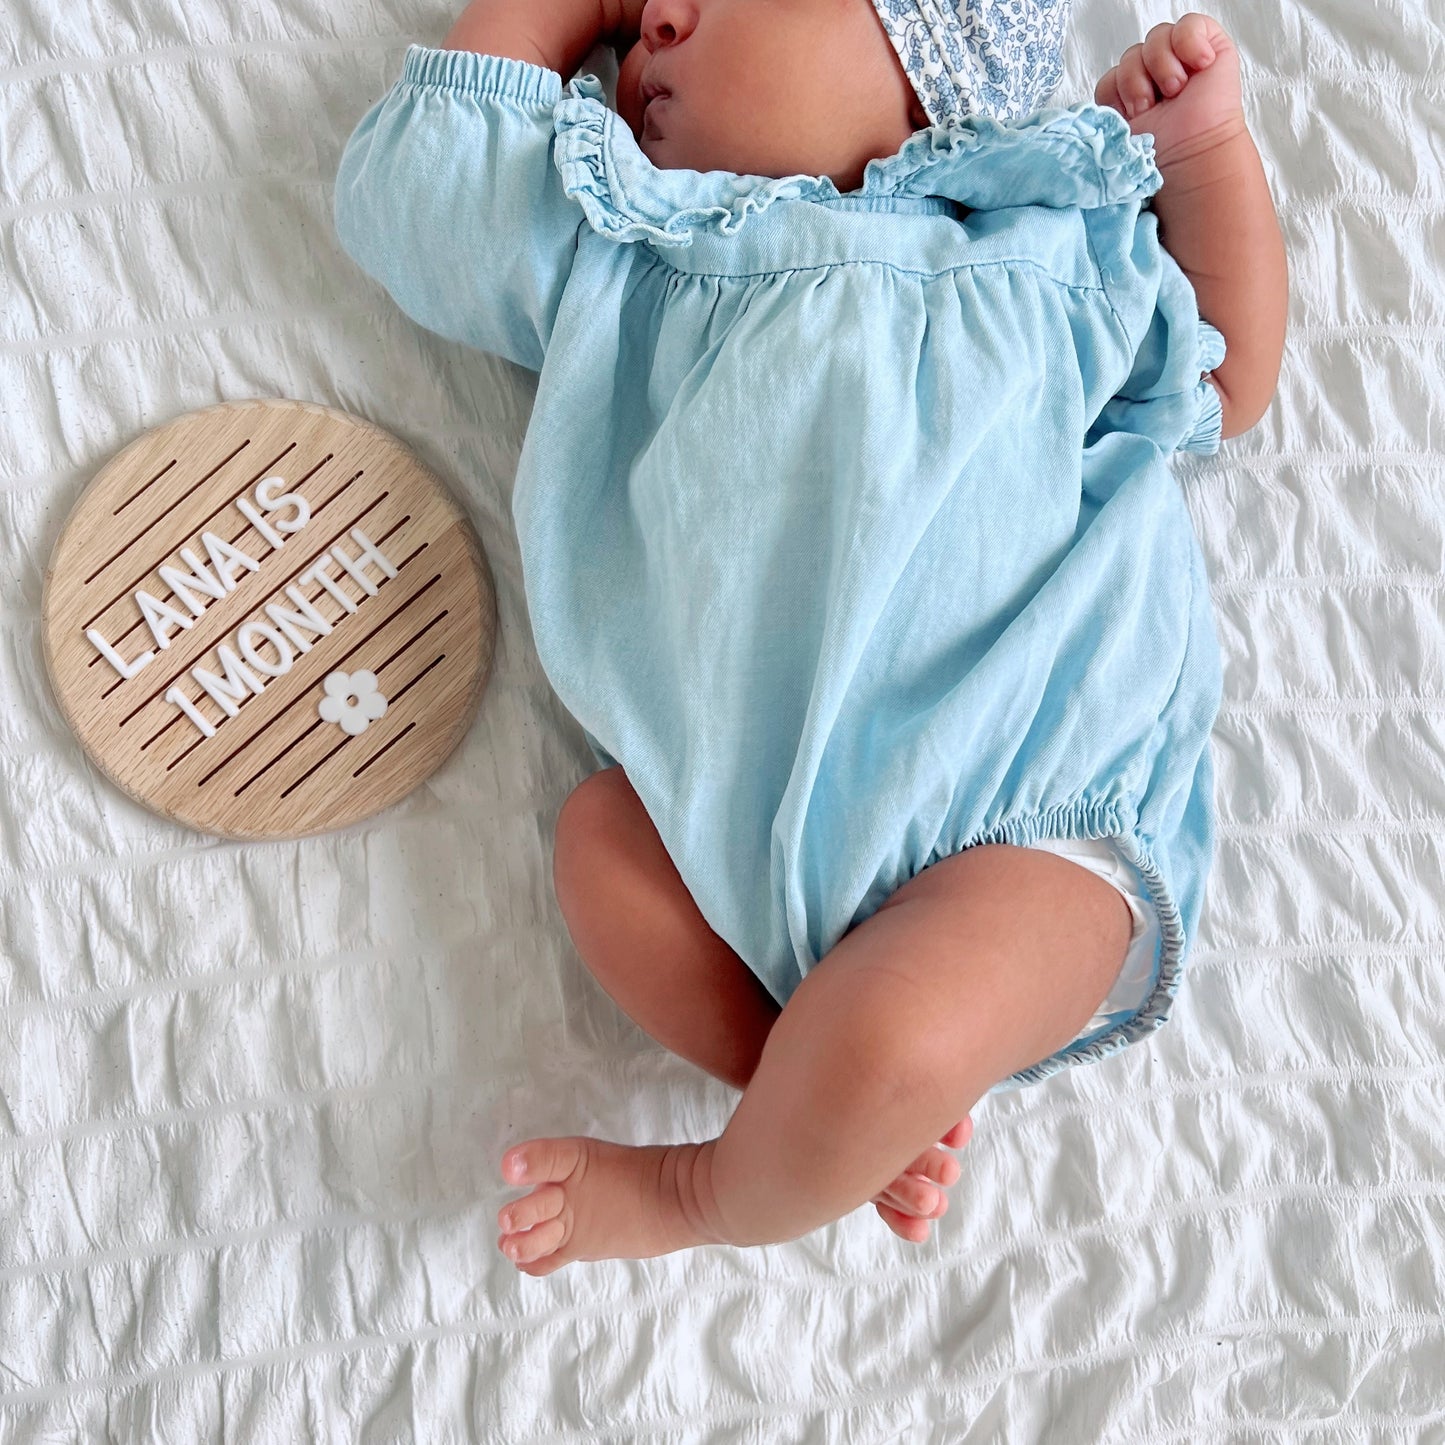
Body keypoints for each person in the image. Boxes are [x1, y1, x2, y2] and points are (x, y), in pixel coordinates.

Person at [332, 0, 1287, 1274]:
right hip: (727, 839)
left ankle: (710, 1188)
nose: (650, 28)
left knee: (896, 1031)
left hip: (1035, 818)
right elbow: (419, 196)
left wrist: (1203, 152)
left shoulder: (1046, 243)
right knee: (598, 850)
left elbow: (1226, 379)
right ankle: (826, 1103)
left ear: (925, 57)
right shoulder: (621, 240)